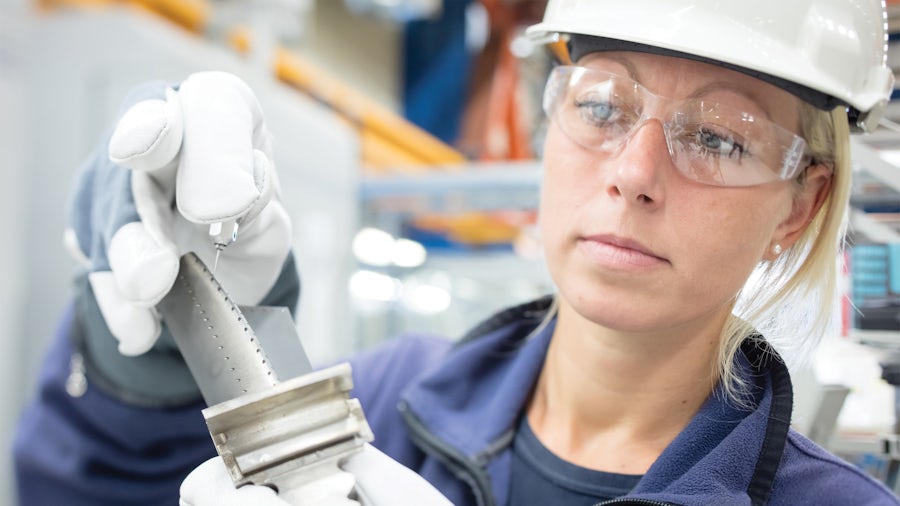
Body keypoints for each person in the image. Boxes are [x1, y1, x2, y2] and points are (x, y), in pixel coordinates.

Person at [13, 0, 900, 504]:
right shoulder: (390, 400)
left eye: (717, 138)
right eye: (601, 106)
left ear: (800, 205)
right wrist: (151, 361)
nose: (634, 174)